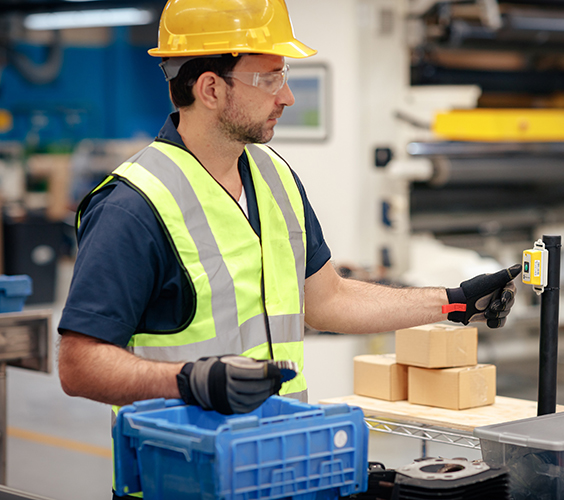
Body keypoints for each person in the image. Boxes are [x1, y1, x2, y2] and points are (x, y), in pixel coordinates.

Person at [56, 0, 520, 497]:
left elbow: (328, 301)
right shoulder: (134, 205)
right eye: (270, 78)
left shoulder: (273, 178)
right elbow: (79, 363)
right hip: (184, 481)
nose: (289, 97)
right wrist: (190, 380)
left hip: (282, 471)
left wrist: (453, 301)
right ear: (211, 87)